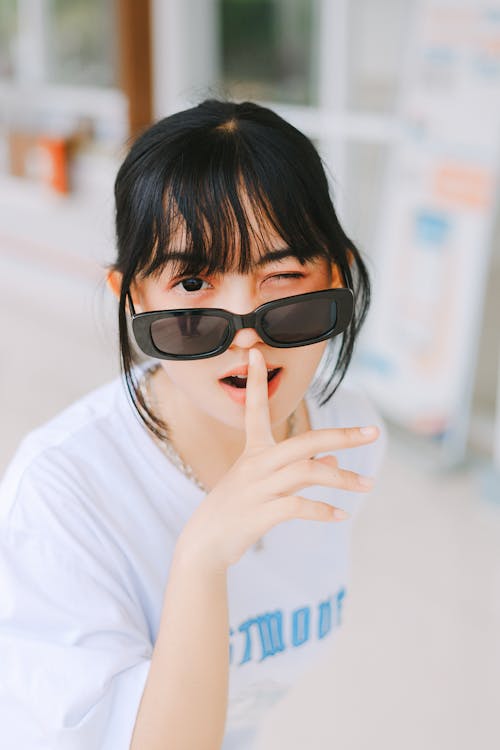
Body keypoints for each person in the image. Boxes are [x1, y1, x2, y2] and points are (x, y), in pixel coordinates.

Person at [0, 99, 388, 749]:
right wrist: (202, 557)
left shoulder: (346, 433)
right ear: (135, 296)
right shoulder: (61, 492)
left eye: (284, 275)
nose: (247, 335)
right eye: (192, 282)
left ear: (337, 273)